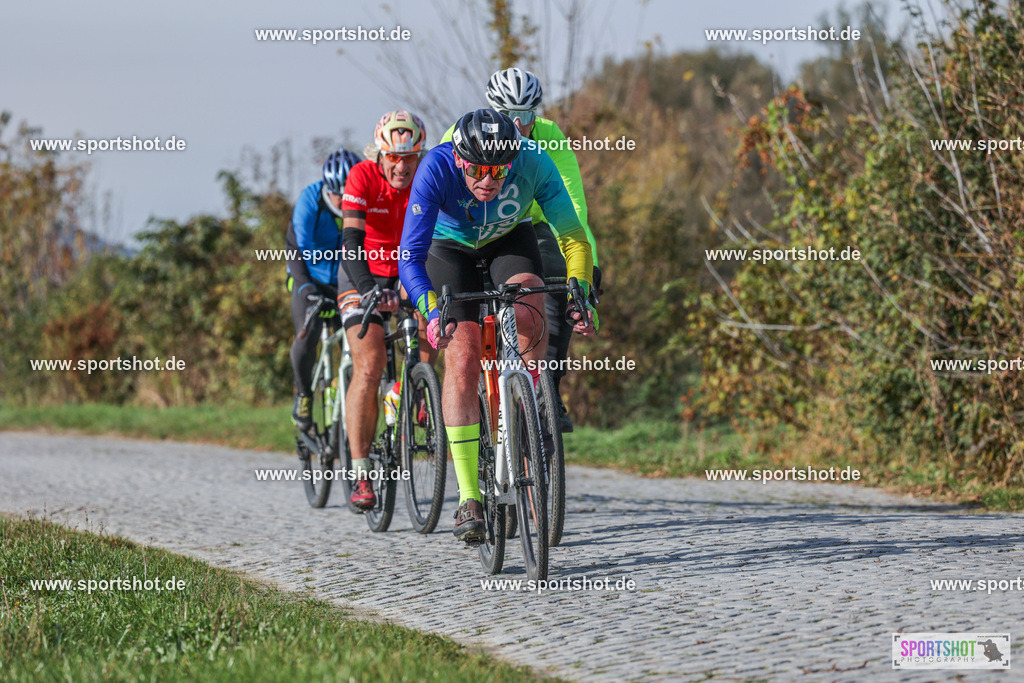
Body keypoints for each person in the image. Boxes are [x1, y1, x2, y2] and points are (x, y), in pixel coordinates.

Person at [399, 108, 596, 542]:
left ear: (514, 159)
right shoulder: (435, 166)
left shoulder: (534, 160)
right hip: (448, 249)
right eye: (477, 171)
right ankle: (469, 497)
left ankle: (526, 404)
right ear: (459, 160)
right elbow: (409, 257)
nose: (488, 181)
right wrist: (432, 311)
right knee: (464, 356)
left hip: (508, 238)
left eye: (498, 171)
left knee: (530, 305)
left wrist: (580, 290)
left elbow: (573, 238)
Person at [440, 67, 602, 433]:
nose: (519, 124)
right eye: (509, 115)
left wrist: (587, 270)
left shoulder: (548, 138)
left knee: (556, 282)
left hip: (530, 221)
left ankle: (545, 391)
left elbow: (574, 209)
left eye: (527, 115)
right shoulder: (461, 134)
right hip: (468, 230)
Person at [338, 110, 427, 510]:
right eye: (394, 157)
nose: (401, 166)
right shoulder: (361, 176)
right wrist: (371, 288)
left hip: (407, 270)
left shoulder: (426, 179)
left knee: (434, 328)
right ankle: (360, 474)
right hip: (362, 274)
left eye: (410, 158)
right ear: (380, 153)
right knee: (370, 363)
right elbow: (351, 242)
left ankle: (412, 396)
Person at [287, 148, 362, 436]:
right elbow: (296, 251)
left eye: (349, 195)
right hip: (310, 278)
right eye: (338, 197)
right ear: (327, 190)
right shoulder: (310, 201)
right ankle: (304, 395)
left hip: (345, 280)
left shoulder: (362, 203)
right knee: (307, 333)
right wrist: (306, 288)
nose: (344, 203)